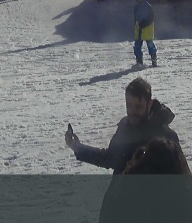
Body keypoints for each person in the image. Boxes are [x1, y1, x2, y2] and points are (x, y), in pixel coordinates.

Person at [65, 78, 182, 223]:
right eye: (129, 106)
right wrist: (78, 147)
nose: (132, 112)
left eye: (138, 107)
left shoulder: (166, 138)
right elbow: (110, 158)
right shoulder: (125, 127)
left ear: (150, 104)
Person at [133, 0, 158, 67]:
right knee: (137, 46)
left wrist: (144, 23)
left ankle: (153, 58)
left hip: (147, 29)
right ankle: (139, 61)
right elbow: (135, 18)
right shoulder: (136, 7)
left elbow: (151, 18)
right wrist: (137, 25)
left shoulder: (148, 7)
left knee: (150, 45)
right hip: (139, 29)